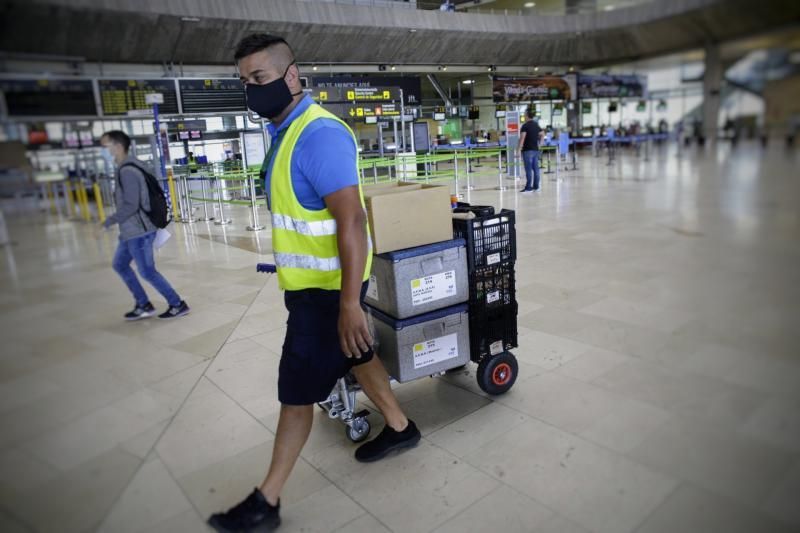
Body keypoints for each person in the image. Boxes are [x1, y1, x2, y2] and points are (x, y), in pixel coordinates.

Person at [207, 34, 420, 533]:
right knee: (358, 353)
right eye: (245, 81)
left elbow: (351, 222)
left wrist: (348, 304)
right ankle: (401, 427)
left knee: (296, 393)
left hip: (327, 294)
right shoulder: (285, 131)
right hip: (313, 286)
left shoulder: (318, 134)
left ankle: (267, 501)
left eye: (259, 78)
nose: (251, 89)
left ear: (291, 75)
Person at [98, 131, 190, 320]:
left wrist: (107, 222)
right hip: (130, 230)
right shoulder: (129, 166)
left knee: (147, 271)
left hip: (139, 230)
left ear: (118, 146)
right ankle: (143, 304)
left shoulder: (128, 171)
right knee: (120, 264)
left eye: (105, 146)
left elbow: (131, 205)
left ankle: (177, 304)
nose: (103, 151)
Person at [518, 108, 543, 194]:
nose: (524, 116)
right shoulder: (536, 125)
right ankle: (536, 186)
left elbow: (522, 138)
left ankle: (528, 187)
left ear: (527, 115)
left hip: (527, 150)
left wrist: (518, 150)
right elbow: (542, 134)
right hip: (536, 150)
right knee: (536, 169)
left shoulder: (525, 126)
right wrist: (540, 144)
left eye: (524, 114)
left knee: (528, 169)